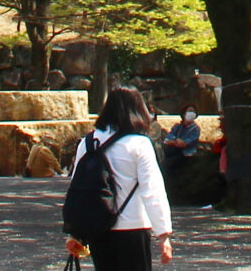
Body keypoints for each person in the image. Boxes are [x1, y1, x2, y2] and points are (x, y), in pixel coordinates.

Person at [63, 86, 173, 269]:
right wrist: (163, 234)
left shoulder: (88, 142)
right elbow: (152, 191)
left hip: (98, 228)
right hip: (133, 227)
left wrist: (75, 233)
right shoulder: (139, 144)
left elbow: (79, 189)